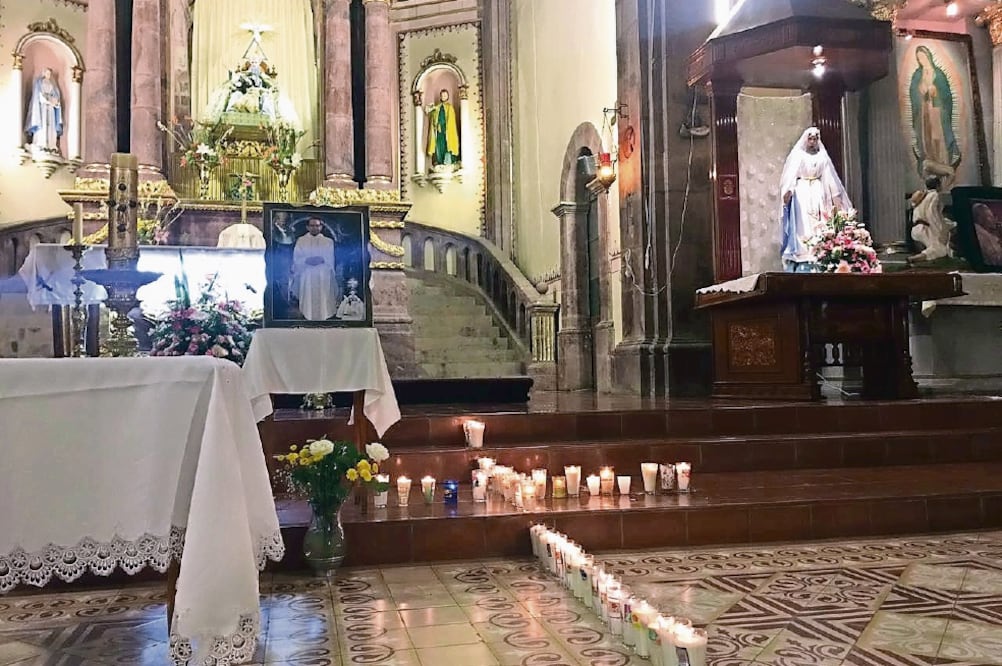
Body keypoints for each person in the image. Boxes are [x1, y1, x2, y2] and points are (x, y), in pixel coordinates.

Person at [779, 127, 852, 272]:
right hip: (802, 192)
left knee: (818, 221)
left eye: (815, 139)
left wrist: (836, 199)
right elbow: (791, 176)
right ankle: (802, 252)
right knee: (802, 223)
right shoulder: (798, 156)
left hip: (818, 192)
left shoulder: (822, 157)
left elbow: (830, 179)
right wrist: (788, 191)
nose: (812, 142)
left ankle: (817, 250)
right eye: (810, 139)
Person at [909, 45, 961, 187]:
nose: (922, 60)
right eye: (919, 58)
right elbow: (913, 93)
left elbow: (947, 95)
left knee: (939, 137)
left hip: (938, 110)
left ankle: (943, 162)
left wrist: (936, 91)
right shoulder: (917, 75)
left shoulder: (939, 74)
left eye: (923, 57)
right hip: (925, 111)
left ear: (928, 56)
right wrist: (921, 92)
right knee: (927, 138)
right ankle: (931, 162)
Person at [291, 217, 338, 320]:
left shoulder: (328, 241)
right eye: (312, 226)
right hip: (307, 274)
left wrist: (321, 259)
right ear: (307, 227)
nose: (315, 228)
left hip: (323, 275)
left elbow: (329, 259)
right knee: (308, 300)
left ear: (321, 227)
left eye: (317, 225)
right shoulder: (301, 241)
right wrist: (306, 261)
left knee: (323, 300)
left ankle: (324, 318)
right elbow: (297, 258)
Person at [908, 176, 956, 264]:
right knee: (940, 248)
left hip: (916, 229)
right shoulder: (934, 196)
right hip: (925, 229)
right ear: (938, 185)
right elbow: (932, 214)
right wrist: (941, 229)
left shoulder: (923, 195)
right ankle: (916, 258)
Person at [25, 67, 63, 154]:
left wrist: (54, 101)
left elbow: (56, 96)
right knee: (42, 124)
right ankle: (41, 143)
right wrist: (47, 100)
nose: (48, 75)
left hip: (50, 108)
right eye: (47, 73)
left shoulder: (53, 85)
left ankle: (51, 145)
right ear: (44, 73)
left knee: (51, 125)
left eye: (50, 74)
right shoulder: (39, 83)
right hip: (42, 108)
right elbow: (39, 95)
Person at [426, 89, 460, 168]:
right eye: (442, 95)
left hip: (447, 132)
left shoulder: (450, 107)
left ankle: (447, 162)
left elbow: (451, 122)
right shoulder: (437, 107)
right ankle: (439, 161)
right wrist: (437, 125)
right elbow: (433, 117)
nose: (443, 97)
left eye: (445, 95)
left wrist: (445, 128)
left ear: (447, 96)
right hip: (438, 132)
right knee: (439, 146)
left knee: (447, 146)